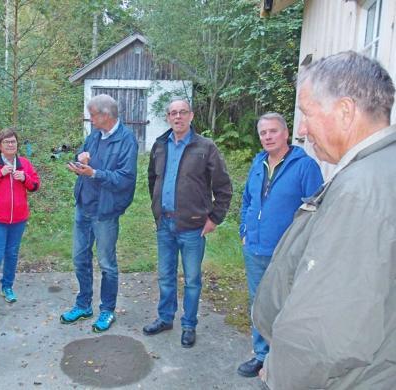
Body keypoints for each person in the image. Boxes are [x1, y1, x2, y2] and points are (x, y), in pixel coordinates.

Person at [253, 51, 396, 389]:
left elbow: (325, 330)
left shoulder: (360, 191)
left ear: (345, 112)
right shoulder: (382, 168)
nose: (301, 130)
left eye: (306, 114)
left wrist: (280, 372)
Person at [237, 112, 323, 377]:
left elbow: (316, 212)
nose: (268, 137)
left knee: (286, 307)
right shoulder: (258, 163)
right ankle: (262, 356)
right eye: (263, 133)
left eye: (273, 131)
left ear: (286, 133)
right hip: (255, 249)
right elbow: (248, 200)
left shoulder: (305, 166)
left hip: (287, 254)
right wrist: (244, 229)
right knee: (259, 304)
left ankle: (282, 362)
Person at [143, 98, 232, 348]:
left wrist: (214, 218)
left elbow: (224, 187)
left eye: (182, 112)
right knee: (165, 277)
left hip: (193, 227)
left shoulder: (205, 147)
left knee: (192, 279)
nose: (178, 117)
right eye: (173, 113)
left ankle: (189, 325)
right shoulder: (160, 145)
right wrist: (158, 211)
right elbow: (153, 181)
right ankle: (165, 318)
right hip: (165, 226)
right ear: (168, 117)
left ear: (191, 116)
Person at [60, 94, 138, 333]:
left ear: (106, 115)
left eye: (93, 115)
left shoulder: (127, 141)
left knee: (106, 263)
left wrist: (94, 173)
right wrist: (79, 160)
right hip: (83, 207)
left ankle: (107, 310)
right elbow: (82, 159)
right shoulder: (94, 136)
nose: (90, 119)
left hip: (105, 211)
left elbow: (125, 179)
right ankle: (83, 304)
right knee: (79, 258)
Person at [0, 128, 40, 314]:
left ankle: (7, 287)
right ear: (0, 146)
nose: (11, 145)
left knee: (12, 254)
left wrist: (25, 178)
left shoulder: (24, 164)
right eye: (7, 142)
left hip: (19, 219)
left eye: (13, 141)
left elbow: (36, 185)